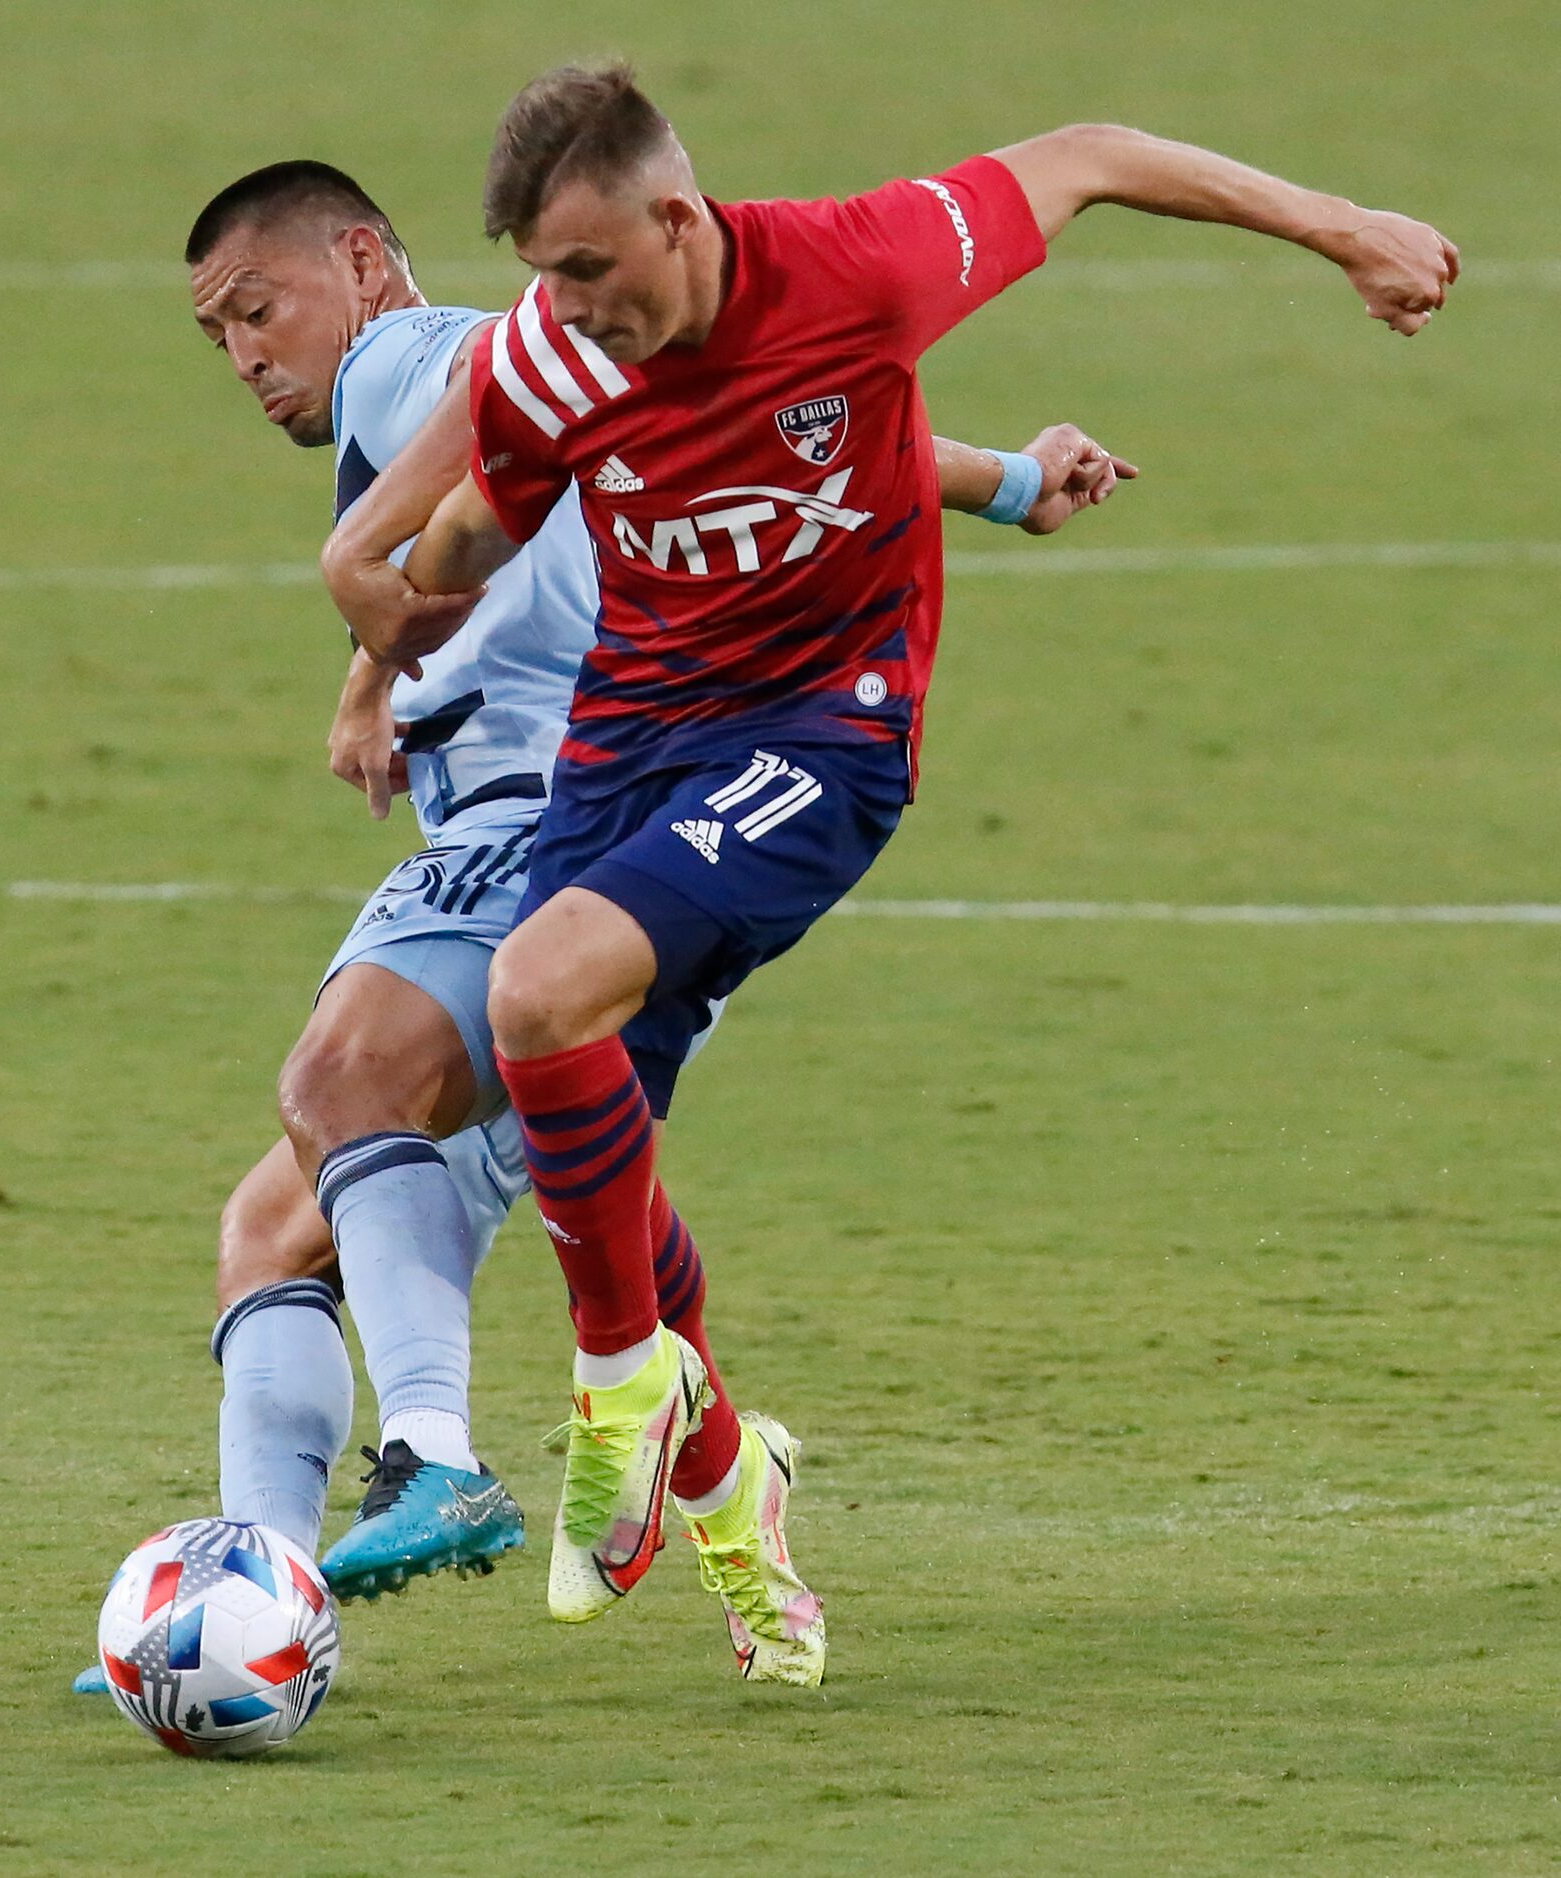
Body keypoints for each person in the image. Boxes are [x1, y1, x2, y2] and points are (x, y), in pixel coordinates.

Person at [321, 64, 1455, 1682]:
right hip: (628, 747)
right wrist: (378, 658)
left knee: (537, 989)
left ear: (676, 216)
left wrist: (1347, 230)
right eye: (541, 278)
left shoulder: (861, 263)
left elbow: (1089, 152)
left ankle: (617, 1382)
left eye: (586, 270)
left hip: (825, 731)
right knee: (587, 1126)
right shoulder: (555, 357)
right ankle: (729, 1487)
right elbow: (478, 535)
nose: (563, 306)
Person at [72, 160, 1129, 1695]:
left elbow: (516, 376)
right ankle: (273, 1606)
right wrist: (1015, 484)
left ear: (366, 262)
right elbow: (784, 423)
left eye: (258, 307)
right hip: (610, 843)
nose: (244, 351)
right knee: (280, 1226)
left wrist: (375, 637)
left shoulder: (409, 355)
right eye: (216, 332)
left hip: (557, 837)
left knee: (341, 1085)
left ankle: (432, 1451)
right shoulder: (545, 388)